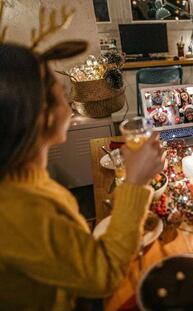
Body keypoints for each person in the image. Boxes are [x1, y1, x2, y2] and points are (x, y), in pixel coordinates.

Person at [0, 42, 164, 310]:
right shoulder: (18, 212)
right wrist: (135, 181)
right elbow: (104, 277)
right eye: (64, 94)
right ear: (41, 115)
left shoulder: (22, 178)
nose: (71, 101)